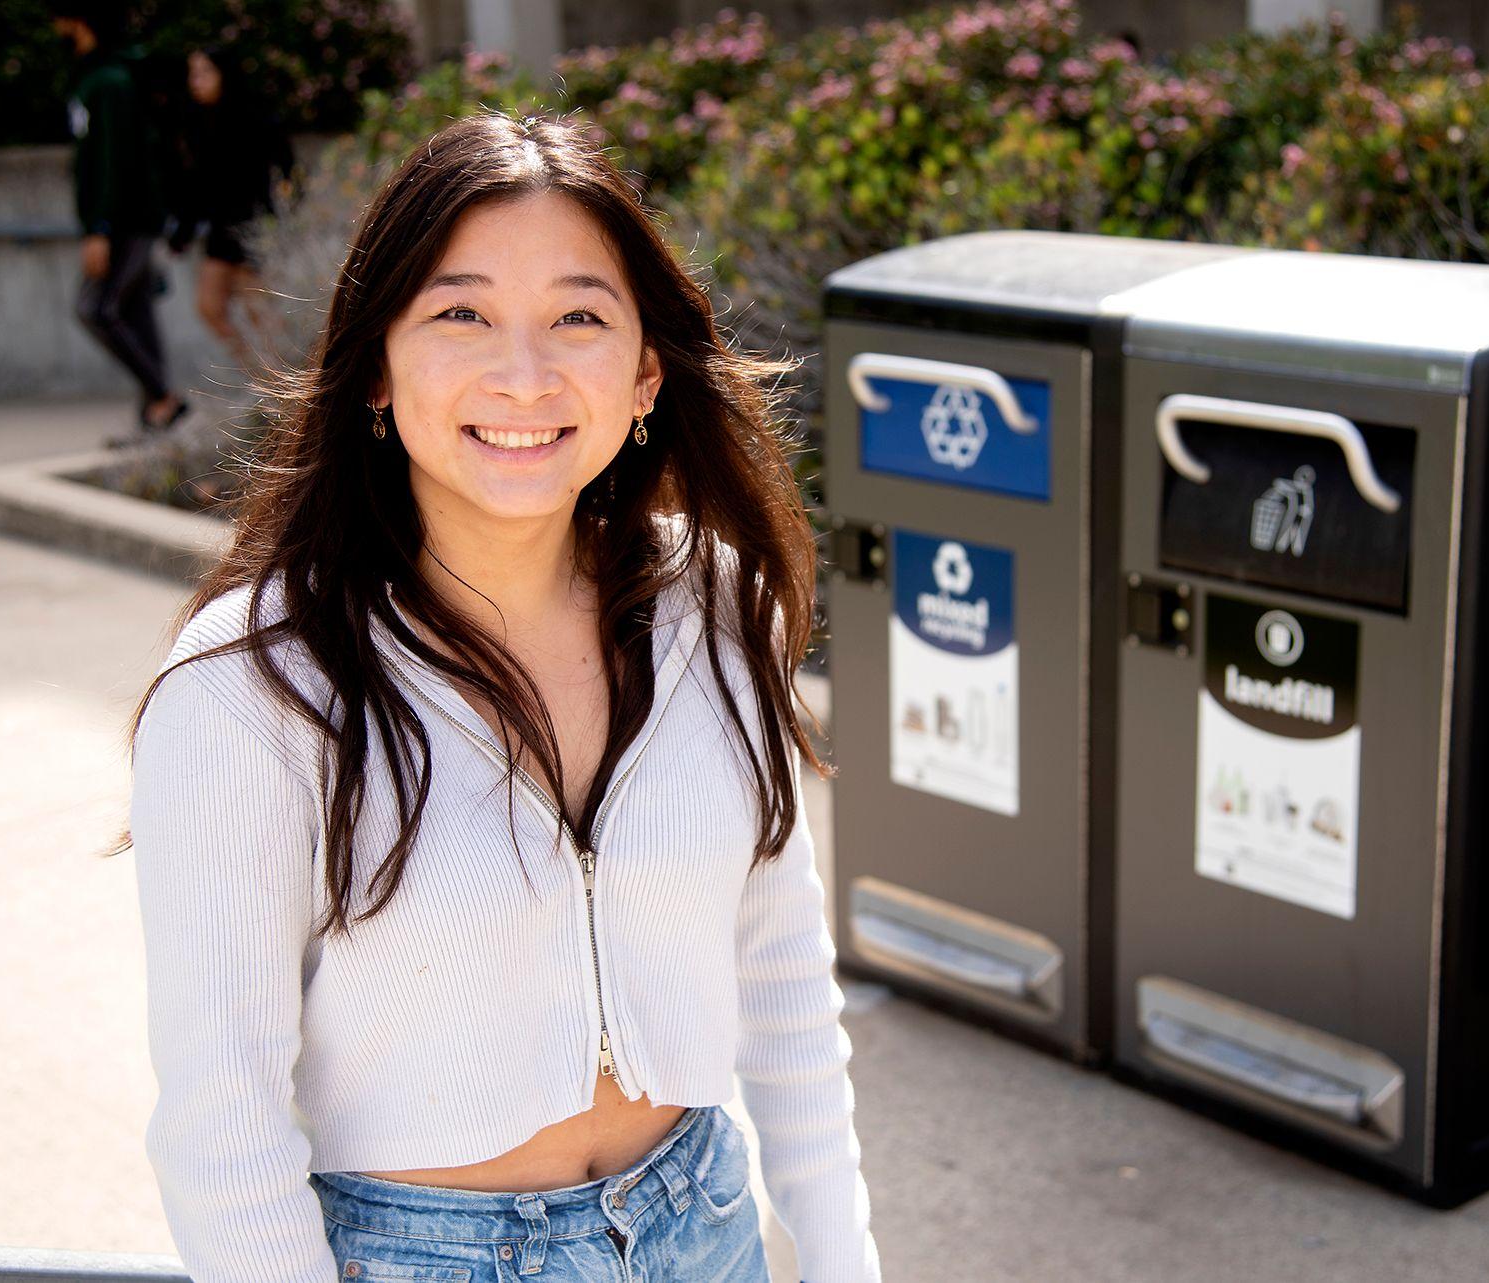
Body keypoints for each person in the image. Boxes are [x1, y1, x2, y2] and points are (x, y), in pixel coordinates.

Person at [113, 109, 880, 1283]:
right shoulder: (253, 683)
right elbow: (223, 1122)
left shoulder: (716, 604)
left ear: (642, 375)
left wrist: (840, 1263)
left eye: (578, 316)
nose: (522, 374)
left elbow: (775, 969)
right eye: (460, 313)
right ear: (376, 363)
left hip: (700, 1220)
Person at [50, 0, 190, 441]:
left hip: (129, 220)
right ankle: (155, 423)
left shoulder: (110, 82)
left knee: (97, 308)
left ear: (78, 20)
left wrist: (101, 229)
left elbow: (114, 161)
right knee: (135, 311)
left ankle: (164, 396)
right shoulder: (93, 78)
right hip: (125, 220)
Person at [166, 44, 296, 376]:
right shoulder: (197, 123)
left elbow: (285, 170)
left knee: (260, 313)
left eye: (205, 72)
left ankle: (279, 385)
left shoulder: (254, 117)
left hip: (253, 229)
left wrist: (275, 217)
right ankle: (260, 377)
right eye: (192, 74)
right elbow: (196, 186)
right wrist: (182, 230)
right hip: (222, 232)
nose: (197, 81)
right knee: (210, 306)